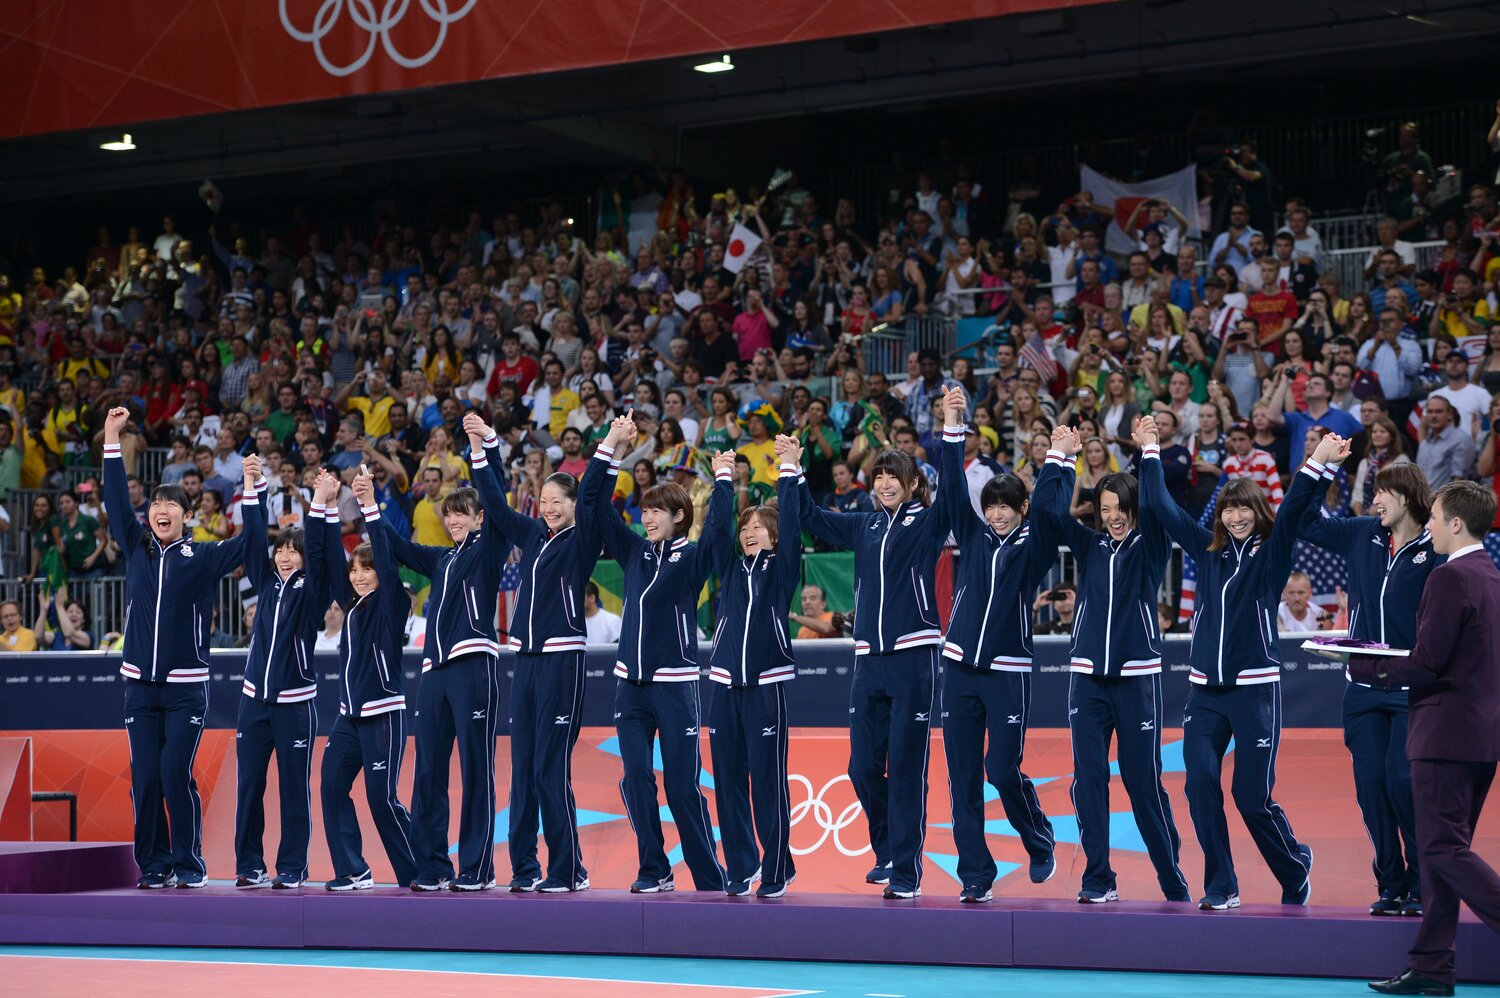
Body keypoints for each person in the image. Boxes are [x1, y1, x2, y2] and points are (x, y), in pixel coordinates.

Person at [1136, 413, 1343, 910]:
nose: (1235, 517)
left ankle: (1294, 865)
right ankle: (1221, 883)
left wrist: (1316, 463)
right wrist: (1149, 453)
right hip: (1206, 693)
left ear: (1258, 511)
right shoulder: (1206, 553)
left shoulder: (1273, 555)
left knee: (1252, 798)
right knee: (1200, 785)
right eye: (1229, 509)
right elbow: (1163, 506)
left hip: (1254, 692)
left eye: (1245, 509)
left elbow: (1293, 509)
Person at [796, 419, 957, 900]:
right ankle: (887, 848)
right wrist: (792, 470)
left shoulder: (927, 523)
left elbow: (951, 496)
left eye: (895, 476)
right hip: (868, 660)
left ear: (912, 485)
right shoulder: (863, 525)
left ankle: (906, 871)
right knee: (862, 767)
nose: (885, 483)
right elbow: (812, 518)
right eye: (879, 475)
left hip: (913, 658)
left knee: (907, 767)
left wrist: (951, 432)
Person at [464, 410, 619, 894]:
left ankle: (568, 870)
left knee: (551, 768)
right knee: (524, 770)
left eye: (559, 501)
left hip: (561, 661)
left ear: (573, 505)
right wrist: (484, 445)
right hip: (525, 662)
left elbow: (594, 491)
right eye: (545, 501)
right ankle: (525, 868)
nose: (550, 508)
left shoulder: (584, 538)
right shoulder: (531, 535)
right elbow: (490, 497)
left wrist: (609, 442)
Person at [1035, 427, 1190, 905]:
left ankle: (1171, 877)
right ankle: (1098, 876)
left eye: (1120, 509)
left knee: (1143, 784)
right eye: (1104, 511)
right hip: (1087, 680)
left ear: (1132, 509)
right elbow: (1048, 512)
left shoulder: (1151, 546)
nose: (1113, 518)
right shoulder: (1089, 547)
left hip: (1136, 678)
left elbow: (1162, 506)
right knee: (1089, 781)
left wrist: (1149, 453)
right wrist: (1059, 459)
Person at [1356, 481, 1500, 998]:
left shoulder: (1449, 577)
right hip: (1480, 736)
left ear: (1456, 523)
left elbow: (1426, 662)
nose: (1430, 526)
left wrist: (1360, 666)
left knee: (1441, 848)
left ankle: (1433, 963)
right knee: (1445, 851)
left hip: (1444, 735)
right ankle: (1432, 967)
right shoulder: (1489, 574)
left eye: (1436, 518)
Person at [102, 406, 254, 889]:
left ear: (188, 517)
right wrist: (111, 436)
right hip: (139, 691)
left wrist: (253, 491)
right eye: (154, 506)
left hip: (187, 689)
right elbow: (114, 501)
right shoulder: (136, 546)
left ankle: (189, 864)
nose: (160, 511)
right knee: (144, 779)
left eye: (171, 506)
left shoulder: (203, 555)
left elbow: (250, 544)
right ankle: (154, 865)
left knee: (173, 774)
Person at [592, 415, 730, 894]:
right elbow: (595, 505)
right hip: (630, 688)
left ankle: (710, 878)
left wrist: (725, 480)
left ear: (679, 517)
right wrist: (611, 447)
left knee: (681, 788)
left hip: (675, 687)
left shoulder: (692, 559)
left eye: (657, 511)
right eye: (644, 510)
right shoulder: (633, 552)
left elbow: (717, 537)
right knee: (635, 781)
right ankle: (655, 868)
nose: (646, 517)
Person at [933, 386, 1060, 903]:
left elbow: (1051, 512)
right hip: (960, 668)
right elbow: (948, 490)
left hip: (1007, 671)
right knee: (962, 778)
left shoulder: (1033, 547)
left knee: (1001, 771)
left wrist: (1057, 460)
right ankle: (975, 876)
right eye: (993, 506)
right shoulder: (973, 532)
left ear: (1022, 507)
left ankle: (1039, 837)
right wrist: (952, 423)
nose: (998, 513)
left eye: (1008, 506)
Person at [1300, 461, 1440, 918]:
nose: (1374, 500)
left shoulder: (1434, 546)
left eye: (1382, 493)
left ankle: (1424, 881)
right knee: (1371, 789)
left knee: (1403, 782)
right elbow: (1302, 519)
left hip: (1408, 686)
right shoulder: (1363, 533)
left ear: (1407, 497)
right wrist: (1320, 466)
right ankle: (1392, 884)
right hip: (1361, 686)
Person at [367, 445, 507, 892]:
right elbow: (400, 546)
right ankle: (432, 867)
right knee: (428, 770)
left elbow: (497, 500)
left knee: (475, 769)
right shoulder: (443, 560)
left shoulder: (489, 549)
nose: (453, 521)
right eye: (449, 515)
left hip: (474, 666)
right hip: (434, 672)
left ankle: (477, 868)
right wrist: (371, 506)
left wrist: (488, 451)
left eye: (462, 514)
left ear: (480, 518)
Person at [704, 435, 804, 898]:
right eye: (746, 528)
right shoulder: (729, 568)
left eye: (758, 527)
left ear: (775, 536)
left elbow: (795, 524)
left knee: (767, 783)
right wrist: (723, 477)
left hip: (766, 685)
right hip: (724, 684)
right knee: (727, 783)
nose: (748, 533)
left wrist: (786, 469)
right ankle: (741, 866)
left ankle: (777, 867)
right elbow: (719, 531)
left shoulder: (782, 568)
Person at [231, 461, 336, 891]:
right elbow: (254, 539)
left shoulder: (314, 593)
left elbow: (320, 551)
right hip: (253, 701)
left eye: (293, 550)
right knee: (250, 785)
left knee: (294, 789)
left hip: (295, 704)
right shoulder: (266, 583)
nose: (285, 555)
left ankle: (292, 866)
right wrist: (251, 486)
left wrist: (320, 503)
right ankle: (249, 864)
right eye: (281, 551)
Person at [325, 471, 418, 891]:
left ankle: (420, 873)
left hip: (382, 714)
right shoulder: (353, 610)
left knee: (382, 800)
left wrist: (368, 505)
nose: (360, 576)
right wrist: (324, 507)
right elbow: (330, 562)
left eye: (368, 570)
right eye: (355, 570)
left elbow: (383, 552)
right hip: (349, 717)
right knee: (331, 787)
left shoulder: (391, 603)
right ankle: (353, 869)